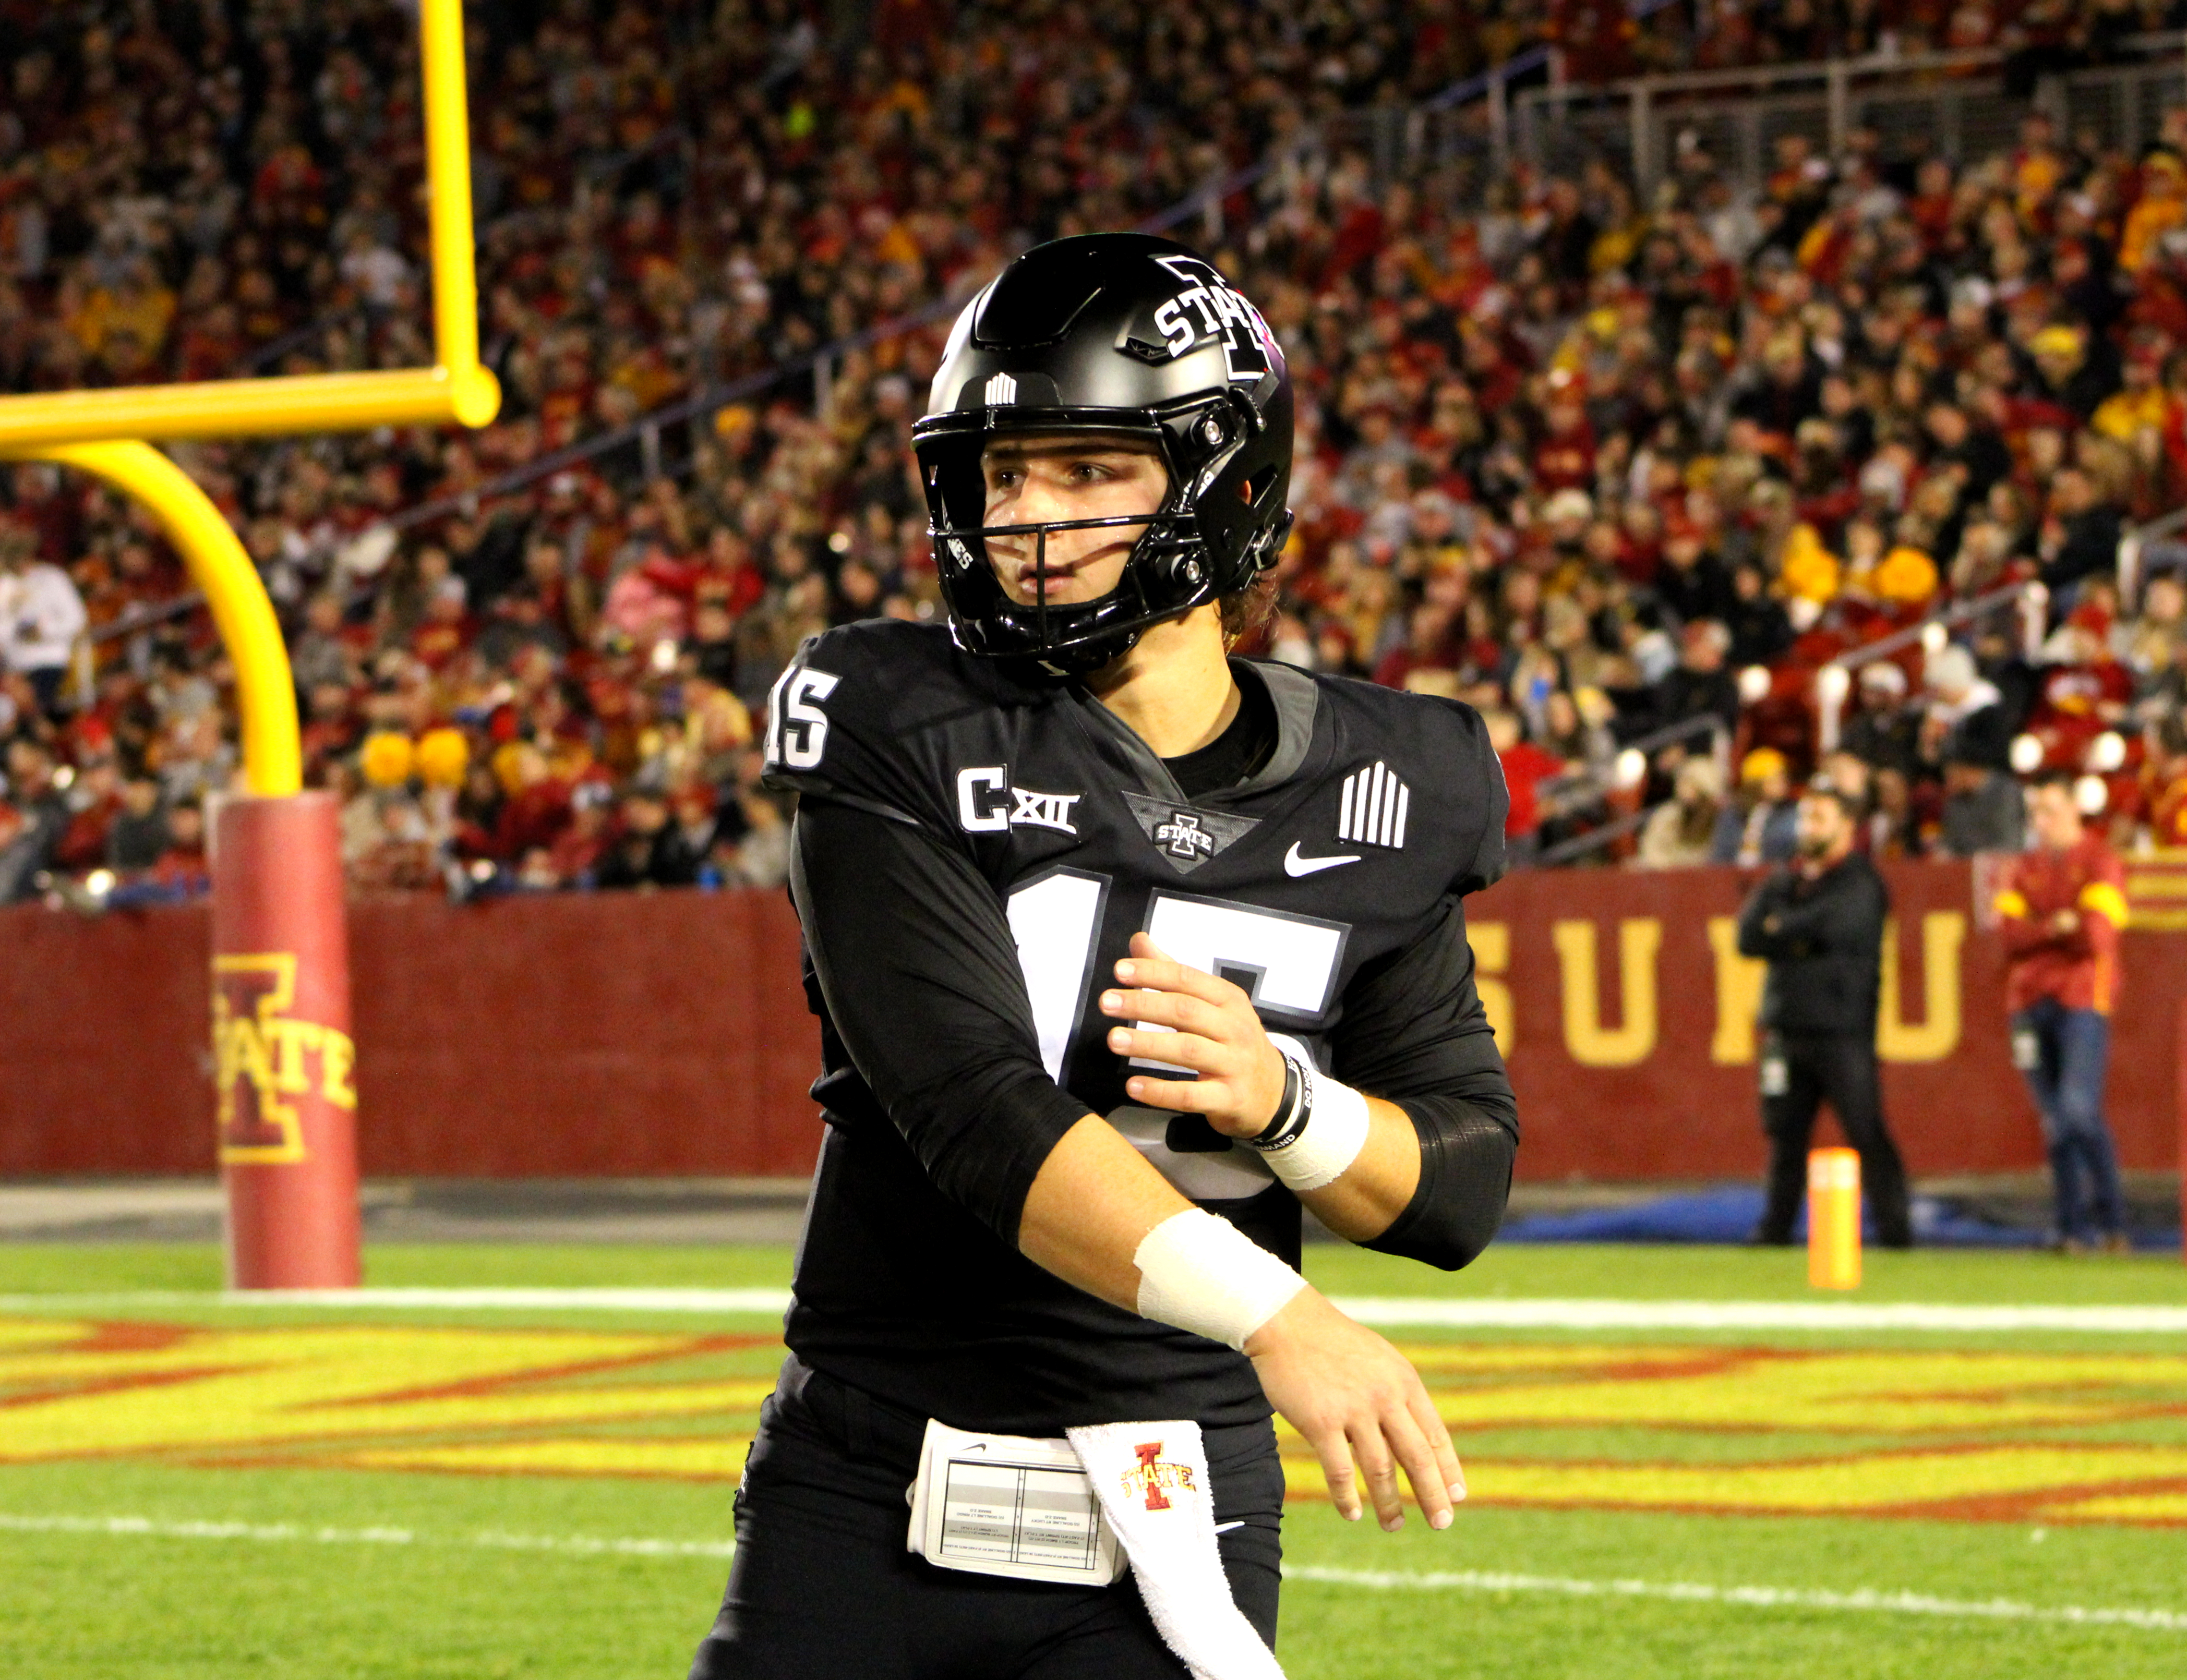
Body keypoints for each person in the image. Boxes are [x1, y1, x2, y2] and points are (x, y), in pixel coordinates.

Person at [689, 234, 1518, 1680]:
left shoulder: (1391, 781)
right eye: (1005, 475)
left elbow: (1458, 1182)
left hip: (1177, 1513)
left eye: (1086, 471)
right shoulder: (898, 719)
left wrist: (1288, 1104)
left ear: (1222, 481)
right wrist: (1286, 1317)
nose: (1029, 519)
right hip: (869, 1488)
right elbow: (975, 1110)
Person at [1735, 781, 1914, 1249]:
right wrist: (1799, 934)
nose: (1805, 827)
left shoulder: (1860, 881)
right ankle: (1775, 1229)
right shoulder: (1787, 877)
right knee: (1784, 1135)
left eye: (1818, 817)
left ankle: (1897, 1232)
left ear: (1846, 827)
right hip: (1787, 1025)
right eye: (1804, 816)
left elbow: (1836, 927)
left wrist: (1787, 928)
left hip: (1841, 1029)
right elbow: (1748, 935)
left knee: (1865, 1129)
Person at [1993, 771, 2132, 1254]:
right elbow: (2008, 937)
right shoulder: (2023, 866)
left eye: (2050, 810)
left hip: (2081, 997)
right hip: (2029, 1001)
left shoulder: (2100, 861)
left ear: (2075, 808)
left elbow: (2096, 937)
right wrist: (2061, 925)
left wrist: (2042, 929)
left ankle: (2111, 1218)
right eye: (2035, 812)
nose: (2041, 821)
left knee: (2077, 1110)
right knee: (2055, 1120)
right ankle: (2073, 1228)